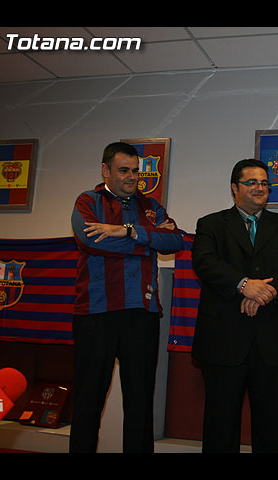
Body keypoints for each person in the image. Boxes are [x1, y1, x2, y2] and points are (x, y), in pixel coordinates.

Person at [70, 141, 183, 452]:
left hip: (142, 314)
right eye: (123, 170)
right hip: (96, 314)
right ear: (105, 170)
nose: (132, 177)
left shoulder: (150, 206)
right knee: (88, 401)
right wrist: (148, 241)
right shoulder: (88, 201)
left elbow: (175, 241)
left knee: (140, 404)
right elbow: (92, 241)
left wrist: (129, 231)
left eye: (135, 171)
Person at [191, 159, 278, 453]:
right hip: (223, 339)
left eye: (264, 183)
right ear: (234, 187)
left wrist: (265, 292)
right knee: (220, 424)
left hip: (273, 339)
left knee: (271, 426)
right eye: (252, 182)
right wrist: (243, 284)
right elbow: (205, 263)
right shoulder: (210, 224)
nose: (260, 188)